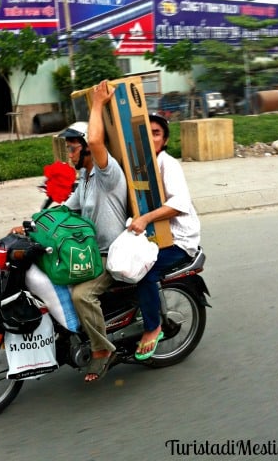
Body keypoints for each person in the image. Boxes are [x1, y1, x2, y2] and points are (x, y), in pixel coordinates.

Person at [60, 80, 128, 382]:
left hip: (110, 254)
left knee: (81, 295)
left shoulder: (106, 173)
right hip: (90, 252)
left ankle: (103, 349)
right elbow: (65, 209)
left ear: (87, 149)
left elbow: (99, 143)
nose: (69, 155)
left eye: (73, 148)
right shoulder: (85, 179)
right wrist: (33, 224)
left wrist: (98, 103)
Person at [127, 113, 201, 361]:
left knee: (144, 271)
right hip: (155, 238)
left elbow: (179, 204)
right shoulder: (140, 165)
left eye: (156, 133)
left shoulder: (167, 163)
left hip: (179, 240)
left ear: (165, 140)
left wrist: (146, 219)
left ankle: (152, 327)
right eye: (146, 133)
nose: (150, 137)